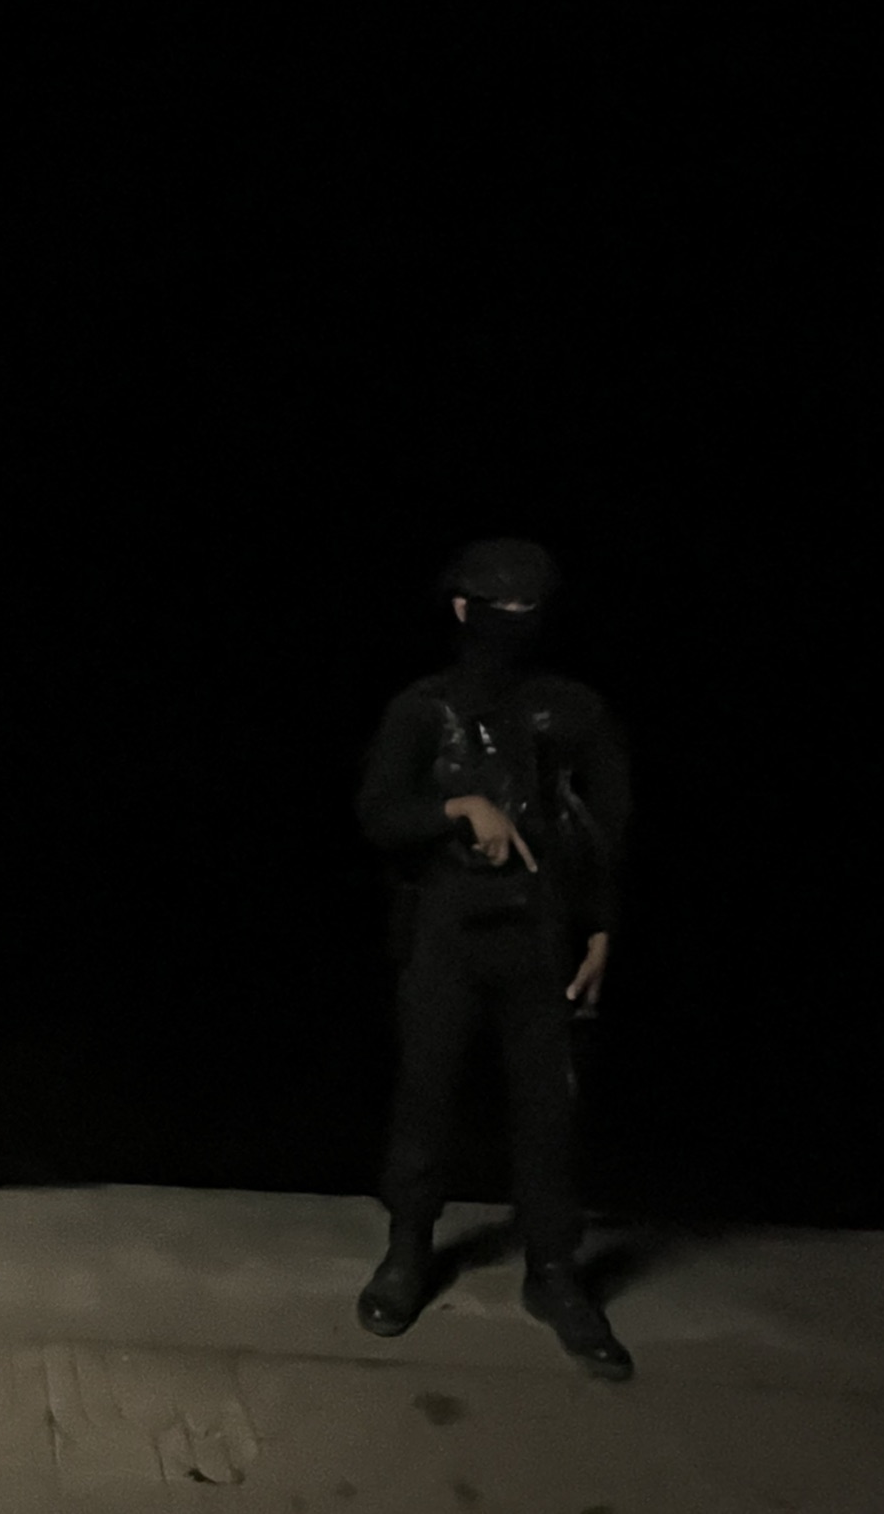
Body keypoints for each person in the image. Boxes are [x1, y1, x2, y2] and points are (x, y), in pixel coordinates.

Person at [353, 538, 635, 1379]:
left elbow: (606, 826)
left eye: (527, 610)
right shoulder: (423, 709)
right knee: (426, 1097)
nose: (513, 623)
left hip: (542, 935)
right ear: (460, 609)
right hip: (447, 931)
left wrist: (602, 928)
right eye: (497, 608)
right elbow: (379, 812)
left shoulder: (573, 710)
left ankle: (553, 1270)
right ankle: (408, 1250)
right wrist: (459, 807)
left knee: (551, 1111)